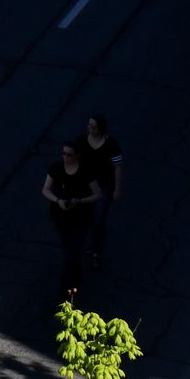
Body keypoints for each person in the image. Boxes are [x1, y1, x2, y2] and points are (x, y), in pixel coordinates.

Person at [41, 142, 101, 299]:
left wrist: (79, 201)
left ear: (77, 155)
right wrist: (58, 200)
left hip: (80, 217)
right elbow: (45, 189)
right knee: (69, 249)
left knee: (71, 252)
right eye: (64, 153)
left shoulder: (85, 172)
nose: (65, 157)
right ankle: (77, 276)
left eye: (69, 154)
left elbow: (97, 194)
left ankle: (67, 289)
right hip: (61, 216)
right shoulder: (56, 168)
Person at [79, 114, 122, 269]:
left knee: (98, 220)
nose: (89, 128)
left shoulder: (111, 144)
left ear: (101, 128)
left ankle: (97, 253)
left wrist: (117, 189)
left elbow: (117, 167)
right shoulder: (82, 142)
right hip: (85, 187)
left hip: (104, 187)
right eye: (89, 124)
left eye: (93, 126)